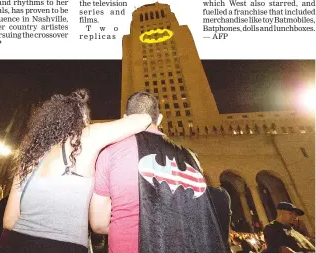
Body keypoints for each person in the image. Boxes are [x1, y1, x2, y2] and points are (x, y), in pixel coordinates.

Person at [0, 89, 151, 253]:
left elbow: (9, 221)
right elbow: (143, 119)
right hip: (62, 246)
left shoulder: (29, 157)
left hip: (15, 243)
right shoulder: (83, 140)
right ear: (83, 119)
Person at [90, 92, 229, 253]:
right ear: (160, 119)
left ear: (126, 118)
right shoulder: (191, 158)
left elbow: (99, 224)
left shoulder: (111, 152)